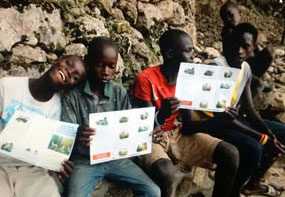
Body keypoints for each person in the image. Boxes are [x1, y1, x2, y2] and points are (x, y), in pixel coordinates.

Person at [133, 29, 242, 197]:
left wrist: (220, 119)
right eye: (188, 50)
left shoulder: (188, 78)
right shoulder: (146, 79)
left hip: (177, 134)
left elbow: (188, 127)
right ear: (170, 53)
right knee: (168, 174)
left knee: (230, 154)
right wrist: (162, 113)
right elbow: (144, 127)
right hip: (152, 137)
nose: (194, 56)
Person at [61, 37, 161, 197]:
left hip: (115, 158)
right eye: (100, 65)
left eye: (111, 66)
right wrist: (78, 133)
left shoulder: (118, 92)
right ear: (87, 62)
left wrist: (145, 132)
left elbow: (129, 127)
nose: (106, 71)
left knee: (153, 191)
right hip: (84, 161)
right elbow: (65, 134)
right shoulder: (73, 96)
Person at [0, 55, 86, 197]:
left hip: (32, 171)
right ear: (57, 60)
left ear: (70, 87)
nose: (69, 71)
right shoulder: (7, 86)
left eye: (75, 77)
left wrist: (58, 163)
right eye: (68, 63)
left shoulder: (58, 108)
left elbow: (50, 150)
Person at [216, 22, 285, 196]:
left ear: (252, 49)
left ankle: (250, 183)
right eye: (236, 44)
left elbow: (249, 107)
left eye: (245, 46)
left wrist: (269, 133)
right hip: (218, 122)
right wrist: (262, 137)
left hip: (236, 119)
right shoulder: (218, 67)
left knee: (280, 133)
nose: (239, 50)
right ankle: (232, 190)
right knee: (255, 148)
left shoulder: (245, 68)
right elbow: (222, 117)